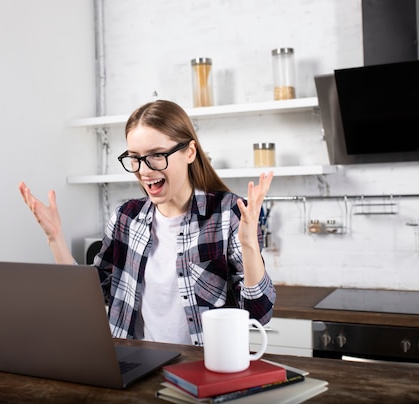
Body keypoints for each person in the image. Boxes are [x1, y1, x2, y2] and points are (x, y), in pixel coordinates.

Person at [19, 99, 276, 346]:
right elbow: (91, 297)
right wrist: (55, 238)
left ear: (189, 152)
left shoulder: (227, 214)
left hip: (205, 369)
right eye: (135, 158)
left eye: (156, 155)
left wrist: (249, 245)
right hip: (136, 367)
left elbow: (258, 315)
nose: (144, 170)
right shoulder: (125, 218)